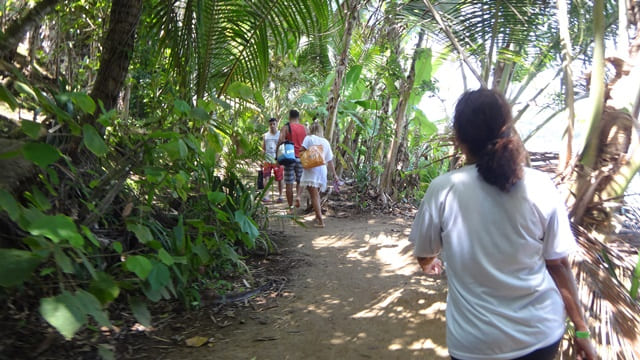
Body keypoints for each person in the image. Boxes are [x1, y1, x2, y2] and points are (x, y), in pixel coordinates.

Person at [409, 89, 596, 360]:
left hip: (474, 344)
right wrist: (581, 331)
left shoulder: (443, 189)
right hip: (540, 335)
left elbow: (425, 254)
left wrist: (430, 263)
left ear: (458, 138)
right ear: (507, 130)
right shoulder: (540, 185)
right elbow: (558, 265)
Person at [299, 120, 338, 228]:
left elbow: (301, 151)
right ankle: (318, 216)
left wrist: (305, 156)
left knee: (314, 196)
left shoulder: (309, 138)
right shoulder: (325, 141)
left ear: (311, 129)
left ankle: (320, 221)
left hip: (312, 169)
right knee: (317, 195)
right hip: (322, 170)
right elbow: (329, 160)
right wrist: (334, 174)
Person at [278, 109, 306, 211]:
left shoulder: (286, 127)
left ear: (289, 117)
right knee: (300, 180)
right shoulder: (304, 128)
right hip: (302, 158)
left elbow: (280, 140)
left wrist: (278, 158)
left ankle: (290, 207)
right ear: (298, 118)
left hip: (289, 158)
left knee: (289, 183)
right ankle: (298, 196)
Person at [262, 117, 284, 203]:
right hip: (267, 158)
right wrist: (262, 158)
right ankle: (266, 196)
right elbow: (263, 148)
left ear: (276, 124)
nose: (272, 126)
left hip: (277, 159)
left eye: (274, 124)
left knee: (279, 178)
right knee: (266, 177)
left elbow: (283, 147)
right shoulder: (266, 135)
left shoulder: (280, 135)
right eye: (270, 124)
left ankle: (280, 195)